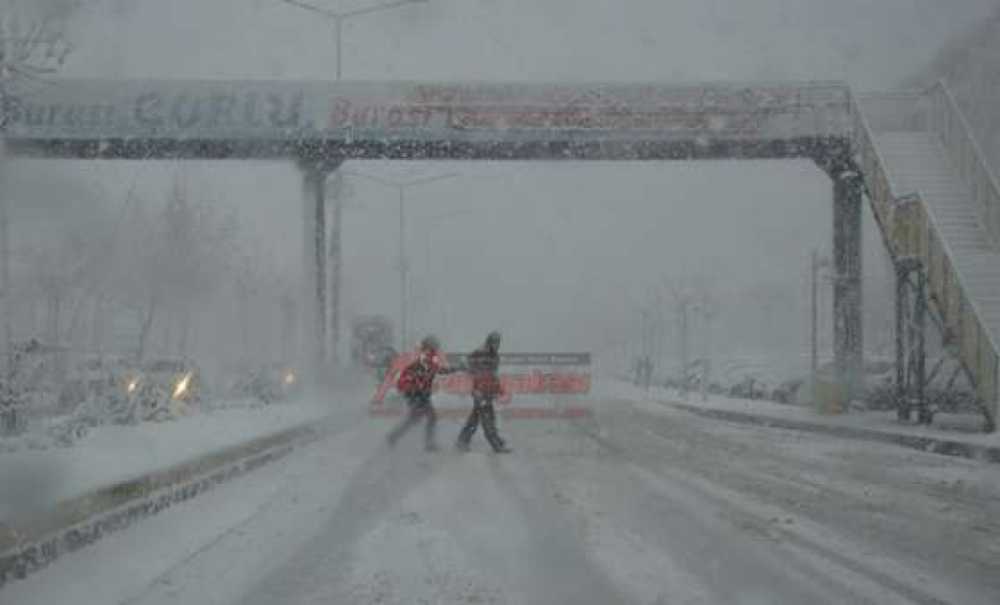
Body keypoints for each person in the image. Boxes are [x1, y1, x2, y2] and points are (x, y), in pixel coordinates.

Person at [386, 335, 454, 451]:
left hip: (417, 392)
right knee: (430, 418)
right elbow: (428, 370)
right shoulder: (425, 356)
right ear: (430, 345)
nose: (437, 348)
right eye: (435, 345)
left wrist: (449, 370)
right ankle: (429, 444)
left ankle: (393, 436)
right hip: (416, 393)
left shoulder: (428, 356)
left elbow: (434, 369)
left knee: (415, 419)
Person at [456, 331, 511, 453]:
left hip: (487, 391)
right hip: (480, 392)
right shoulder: (481, 353)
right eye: (495, 342)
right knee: (487, 419)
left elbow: (492, 376)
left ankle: (462, 441)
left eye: (498, 342)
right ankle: (496, 444)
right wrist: (476, 382)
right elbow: (468, 365)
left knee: (476, 418)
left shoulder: (494, 356)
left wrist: (498, 389)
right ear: (489, 341)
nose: (497, 345)